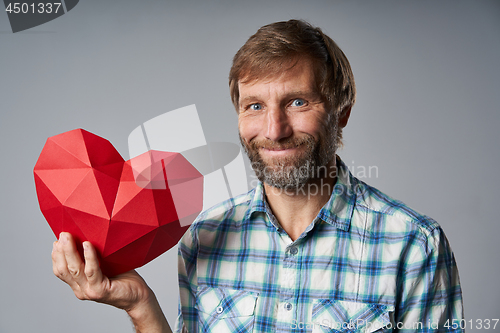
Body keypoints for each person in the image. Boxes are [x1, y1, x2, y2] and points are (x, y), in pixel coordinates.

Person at [51, 20, 464, 333]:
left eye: (297, 102)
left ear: (342, 111)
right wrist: (140, 306)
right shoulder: (203, 237)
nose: (273, 129)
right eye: (253, 107)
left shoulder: (412, 246)